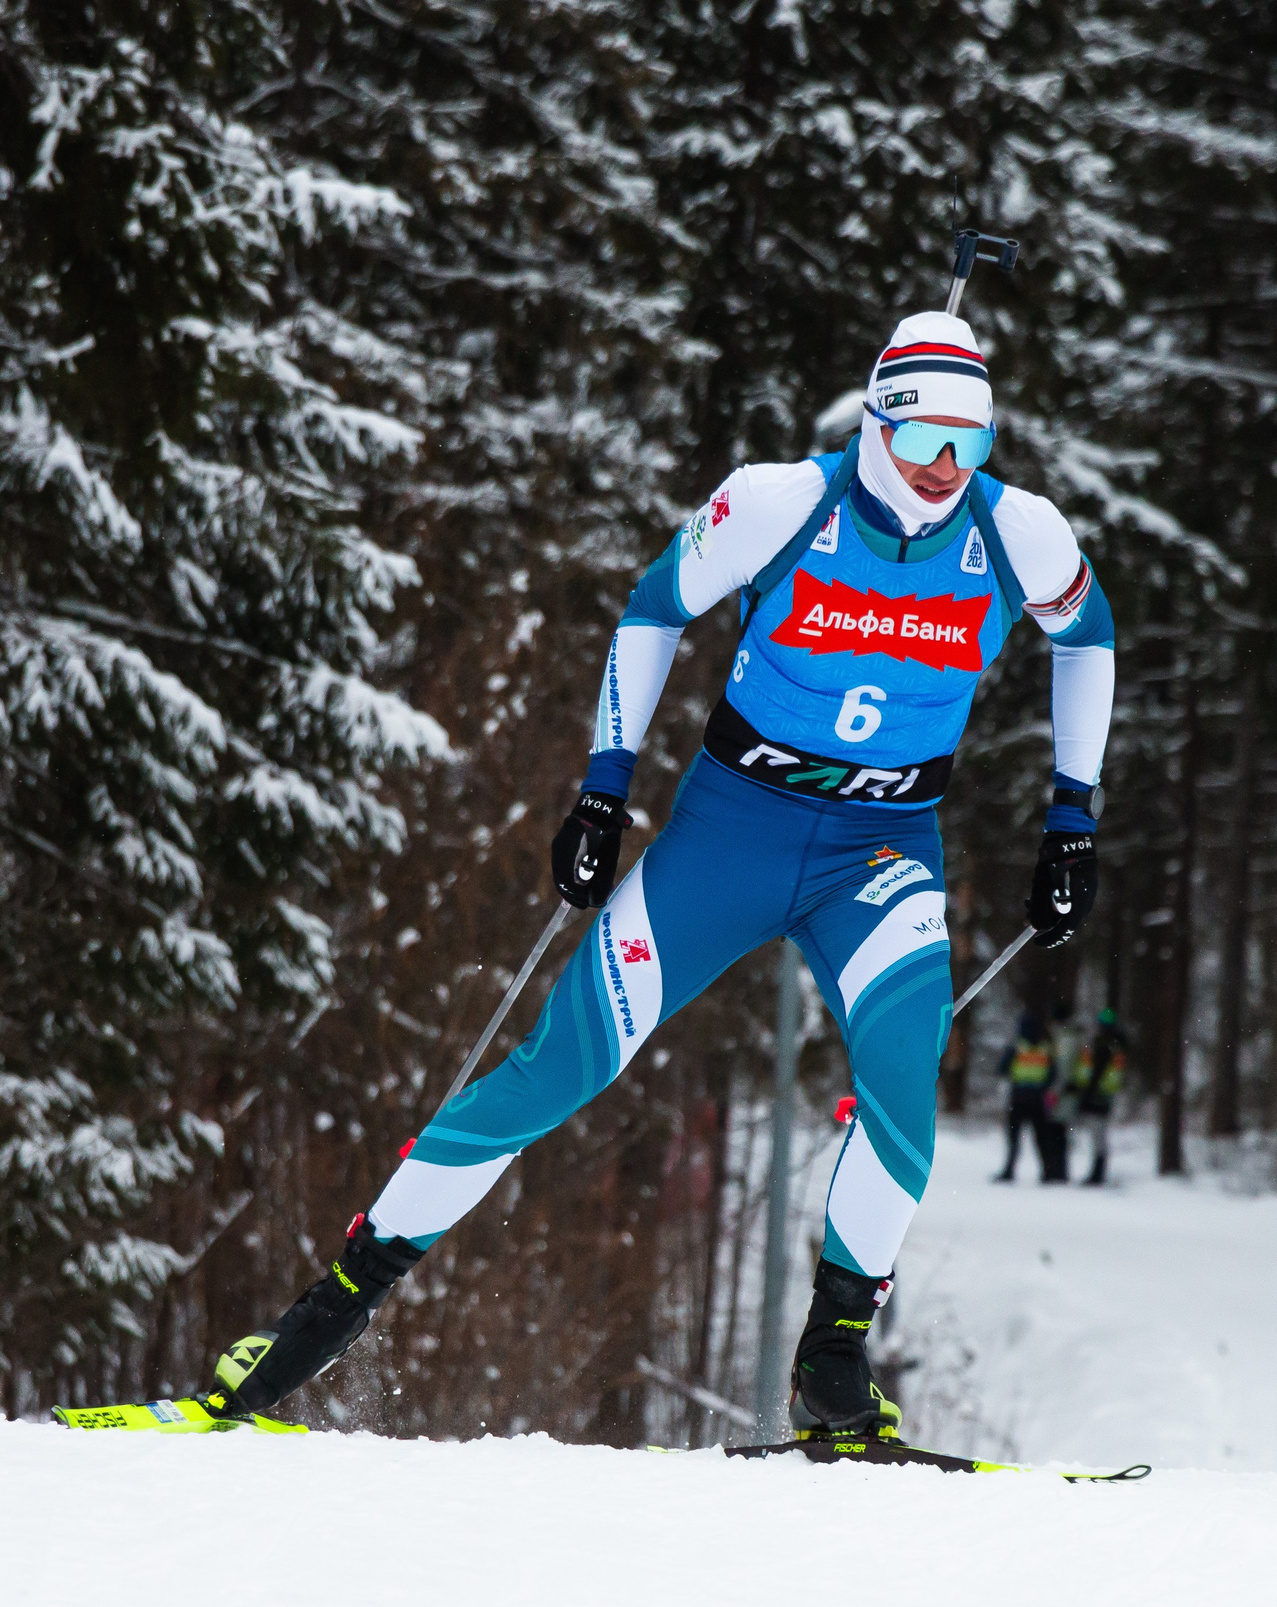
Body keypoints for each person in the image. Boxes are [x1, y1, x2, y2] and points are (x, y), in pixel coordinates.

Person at [198, 309, 1115, 1440]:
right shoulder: (782, 503)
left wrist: (1072, 817)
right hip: (735, 830)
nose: (944, 468)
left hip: (884, 849)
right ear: (879, 418)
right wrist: (602, 785)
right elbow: (652, 607)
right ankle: (327, 1311)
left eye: (970, 446)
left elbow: (1089, 640)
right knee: (559, 1065)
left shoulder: (1015, 532)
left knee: (901, 1080)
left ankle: (832, 1362)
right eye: (927, 437)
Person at [995, 1011, 1059, 1183]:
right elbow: (1053, 1073)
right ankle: (1048, 1172)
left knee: (1014, 1138)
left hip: (1019, 1097)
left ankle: (1009, 1171)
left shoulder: (1016, 1047)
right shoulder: (1045, 1048)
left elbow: (1001, 1069)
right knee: (1041, 1138)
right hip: (1037, 1098)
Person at [1070, 1007, 1128, 1186]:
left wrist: (1087, 1094)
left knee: (1098, 1135)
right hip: (1106, 1094)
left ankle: (1097, 1174)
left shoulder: (1104, 1045)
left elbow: (1096, 1073)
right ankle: (1098, 1172)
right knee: (1099, 1135)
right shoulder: (1116, 1044)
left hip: (1099, 1095)